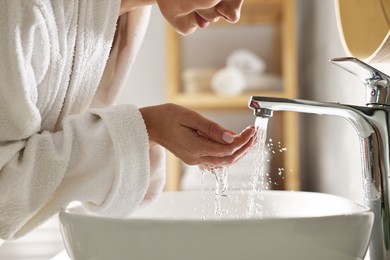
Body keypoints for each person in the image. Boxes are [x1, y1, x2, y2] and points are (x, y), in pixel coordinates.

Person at [0, 0, 255, 242]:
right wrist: (149, 128)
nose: (233, 13)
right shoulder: (24, 11)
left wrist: (151, 133)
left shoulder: (124, 17)